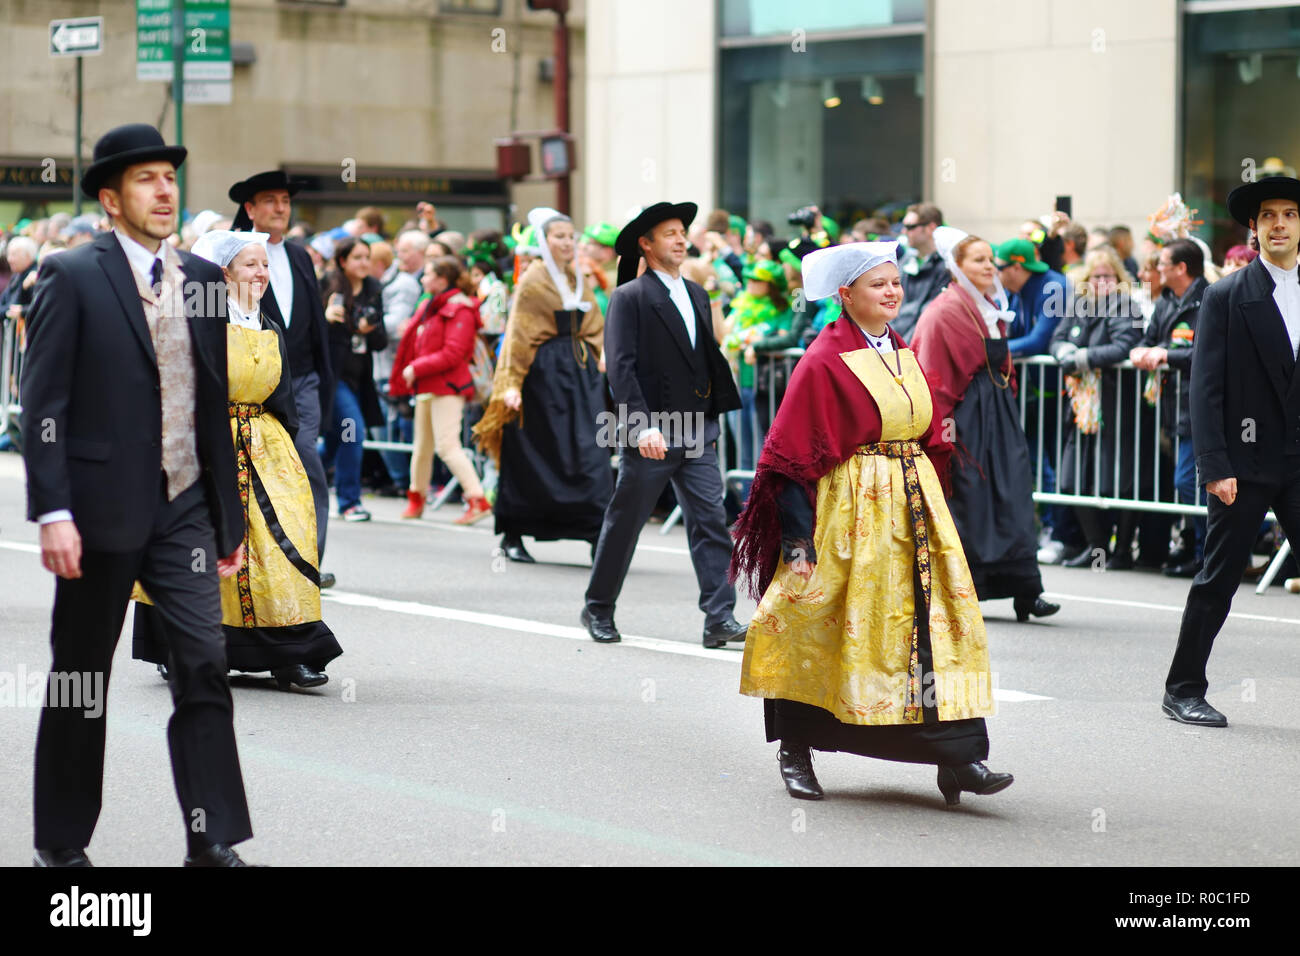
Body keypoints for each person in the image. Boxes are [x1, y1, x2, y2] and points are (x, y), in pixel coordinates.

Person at [22, 124, 255, 866]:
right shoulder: (72, 275)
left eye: (169, 177)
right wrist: (53, 511)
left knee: (204, 663)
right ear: (110, 198)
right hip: (96, 511)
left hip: (183, 504)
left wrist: (229, 515)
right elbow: (44, 404)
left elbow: (210, 401)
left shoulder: (203, 281)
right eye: (146, 179)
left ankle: (210, 838)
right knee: (81, 678)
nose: (164, 191)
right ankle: (59, 844)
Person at [732, 241, 1013, 804]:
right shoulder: (822, 359)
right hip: (849, 510)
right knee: (820, 621)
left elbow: (927, 432)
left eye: (894, 283)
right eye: (877, 284)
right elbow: (789, 454)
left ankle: (959, 756)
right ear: (845, 295)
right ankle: (797, 747)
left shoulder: (901, 350)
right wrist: (796, 538)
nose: (891, 292)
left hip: (913, 511)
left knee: (932, 628)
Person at [132, 230, 342, 690]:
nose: (262, 274)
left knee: (281, 543)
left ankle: (291, 652)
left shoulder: (267, 321)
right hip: (207, 440)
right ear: (222, 271)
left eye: (265, 265)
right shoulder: (195, 318)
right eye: (251, 265)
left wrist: (281, 440)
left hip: (264, 444)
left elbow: (282, 392)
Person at [1163, 177, 1300, 728]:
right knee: (1218, 578)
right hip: (1243, 462)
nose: (1280, 224)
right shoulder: (1225, 295)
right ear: (1255, 226)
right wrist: (1215, 466)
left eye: (1290, 213)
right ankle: (1183, 688)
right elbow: (1206, 387)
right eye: (1269, 215)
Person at [583, 201, 747, 648]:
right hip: (652, 431)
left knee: (711, 522)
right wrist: (641, 428)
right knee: (625, 523)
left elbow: (702, 362)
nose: (680, 239)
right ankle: (598, 607)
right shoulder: (630, 296)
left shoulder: (697, 292)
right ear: (646, 244)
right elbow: (620, 368)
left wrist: (710, 420)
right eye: (670, 233)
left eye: (682, 232)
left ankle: (719, 618)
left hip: (696, 430)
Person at [911, 228, 1059, 622]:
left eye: (990, 260)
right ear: (956, 267)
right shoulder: (942, 311)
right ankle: (966, 588)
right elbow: (933, 376)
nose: (988, 266)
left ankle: (1027, 591)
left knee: (1013, 496)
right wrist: (941, 431)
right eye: (978, 260)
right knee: (971, 502)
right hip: (964, 419)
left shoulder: (991, 305)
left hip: (999, 415)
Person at [473, 207, 610, 562]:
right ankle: (513, 533)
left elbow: (594, 322)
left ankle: (596, 532)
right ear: (544, 241)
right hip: (543, 377)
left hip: (581, 379)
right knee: (533, 453)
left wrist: (602, 353)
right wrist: (511, 385)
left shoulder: (578, 276)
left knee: (589, 453)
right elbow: (519, 335)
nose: (567, 242)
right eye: (558, 237)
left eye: (570, 236)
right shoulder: (534, 279)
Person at [229, 170, 336, 587]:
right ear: (250, 208)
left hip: (302, 381)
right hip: (252, 385)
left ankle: (307, 560)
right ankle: (254, 558)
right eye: (270, 200)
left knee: (306, 464)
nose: (280, 208)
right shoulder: (233, 254)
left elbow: (314, 326)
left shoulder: (301, 256)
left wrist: (324, 381)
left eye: (286, 201)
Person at [1049, 247, 1145, 568]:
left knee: (1118, 480)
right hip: (1081, 406)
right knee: (1071, 478)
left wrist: (1083, 357)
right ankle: (1096, 547)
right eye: (1095, 276)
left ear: (1118, 278)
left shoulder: (1126, 306)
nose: (1101, 281)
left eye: (1107, 276)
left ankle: (1120, 554)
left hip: (1117, 406)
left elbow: (1124, 345)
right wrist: (1064, 350)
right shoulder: (1076, 306)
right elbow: (1057, 339)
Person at [391, 255, 492, 524]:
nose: (423, 279)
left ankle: (477, 498)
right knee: (422, 447)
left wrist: (416, 367)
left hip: (447, 385)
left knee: (447, 446)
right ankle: (416, 498)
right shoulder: (432, 305)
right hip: (428, 384)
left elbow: (454, 352)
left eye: (428, 274)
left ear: (442, 278)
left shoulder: (460, 308)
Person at [1131, 238, 1210, 578]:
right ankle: (1197, 551)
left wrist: (1166, 355)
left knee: (1189, 482)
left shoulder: (1210, 298)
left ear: (1181, 268)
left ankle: (1209, 555)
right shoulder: (1165, 300)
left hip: (1201, 406)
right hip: (1171, 405)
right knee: (1189, 483)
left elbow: (1209, 352)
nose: (1156, 268)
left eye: (1162, 263)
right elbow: (1149, 340)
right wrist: (1142, 351)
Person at [321, 237, 388, 522]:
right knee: (353, 431)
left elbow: (381, 341)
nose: (364, 263)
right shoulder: (327, 285)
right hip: (333, 376)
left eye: (367, 257)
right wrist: (325, 318)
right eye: (357, 257)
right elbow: (309, 332)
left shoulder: (373, 288)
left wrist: (367, 329)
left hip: (360, 377)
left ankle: (297, 471)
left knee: (338, 439)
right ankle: (349, 501)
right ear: (342, 261)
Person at [894, 202, 948, 342]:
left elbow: (929, 315)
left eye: (910, 227)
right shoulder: (906, 261)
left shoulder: (946, 266)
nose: (904, 232)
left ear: (931, 228)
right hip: (898, 343)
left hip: (920, 345)